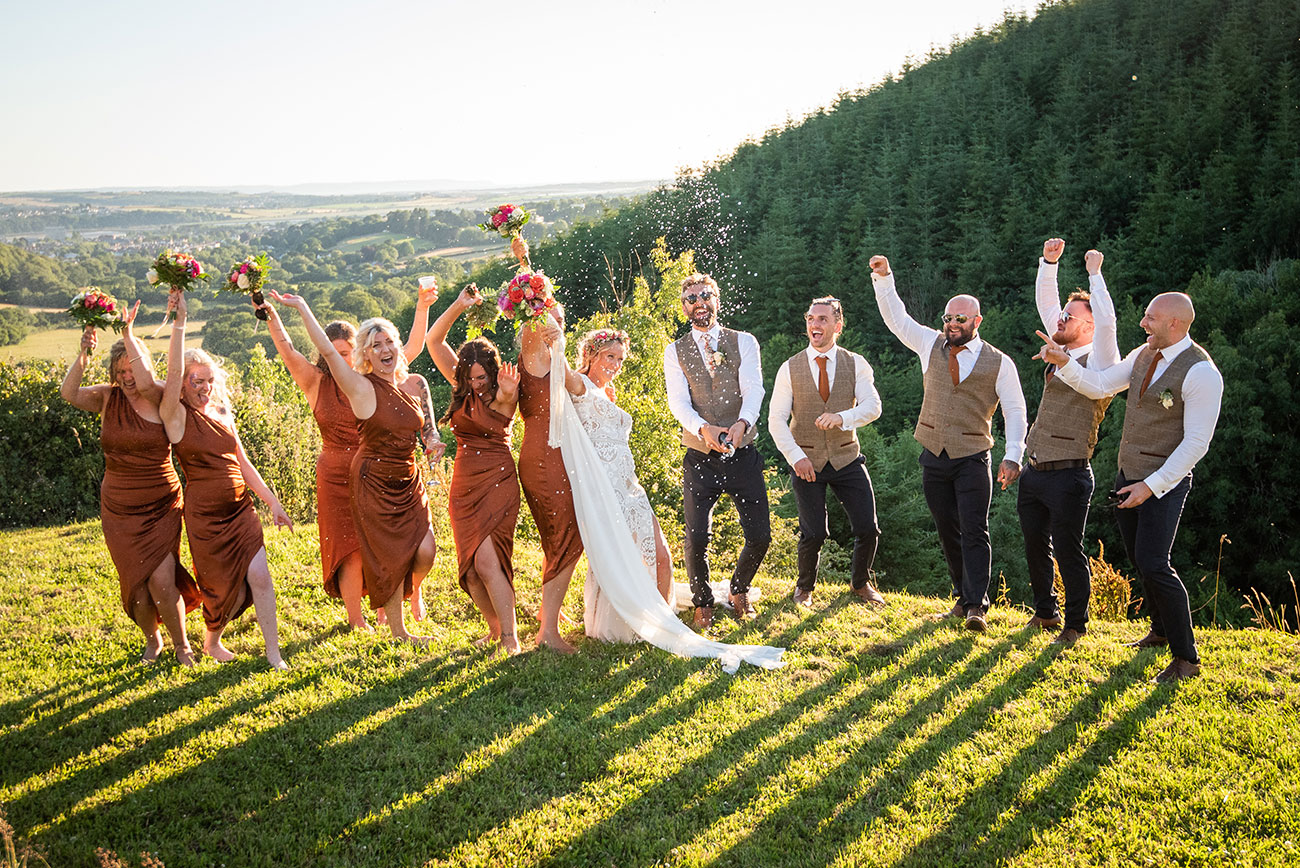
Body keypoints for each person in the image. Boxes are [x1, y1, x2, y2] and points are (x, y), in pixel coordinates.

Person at [543, 323, 784, 672]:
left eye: (621, 359)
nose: (616, 364)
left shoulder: (610, 393)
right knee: (629, 556)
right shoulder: (583, 385)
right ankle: (645, 624)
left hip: (629, 486)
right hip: (606, 492)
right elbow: (562, 375)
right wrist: (556, 338)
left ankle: (656, 617)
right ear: (592, 355)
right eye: (610, 356)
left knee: (658, 555)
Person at [1035, 291, 1222, 682]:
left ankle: (1186, 658)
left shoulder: (1201, 372)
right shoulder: (1143, 354)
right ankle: (1159, 631)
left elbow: (1196, 444)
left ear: (1175, 323)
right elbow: (1100, 384)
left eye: (1150, 318)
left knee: (1156, 563)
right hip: (1127, 476)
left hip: (1164, 482)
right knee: (1141, 560)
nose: (1143, 323)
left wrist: (1150, 487)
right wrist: (1064, 362)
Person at [256, 281, 438, 632]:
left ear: (358, 352)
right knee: (350, 551)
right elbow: (290, 350)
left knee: (402, 546)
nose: (340, 357)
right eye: (335, 353)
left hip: (381, 471)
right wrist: (280, 314)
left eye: (346, 352)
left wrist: (421, 306)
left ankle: (402, 597)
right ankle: (359, 619)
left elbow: (409, 347)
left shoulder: (371, 379)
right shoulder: (322, 382)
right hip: (338, 473)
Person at [870, 255, 1028, 632]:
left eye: (961, 319)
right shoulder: (930, 344)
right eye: (948, 318)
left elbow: (1016, 410)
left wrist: (1014, 456)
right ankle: (961, 596)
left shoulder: (1000, 362)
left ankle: (977, 606)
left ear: (977, 321)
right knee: (947, 529)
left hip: (973, 457)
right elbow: (897, 320)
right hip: (933, 455)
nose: (952, 324)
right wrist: (883, 278)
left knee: (975, 530)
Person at [60, 302, 200, 664]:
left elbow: (154, 376)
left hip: (160, 502)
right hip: (118, 506)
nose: (126, 377)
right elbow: (69, 393)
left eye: (131, 369)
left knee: (162, 580)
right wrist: (83, 354)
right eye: (119, 371)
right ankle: (153, 640)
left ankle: (182, 644)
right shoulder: (108, 398)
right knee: (136, 584)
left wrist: (127, 334)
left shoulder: (157, 396)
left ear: (142, 367)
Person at [157, 291, 291, 668]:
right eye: (196, 381)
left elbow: (243, 462)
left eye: (209, 380)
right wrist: (180, 322)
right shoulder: (176, 416)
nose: (204, 387)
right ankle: (211, 641)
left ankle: (273, 653)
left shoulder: (221, 412)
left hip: (241, 511)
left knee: (261, 577)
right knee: (217, 592)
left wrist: (272, 501)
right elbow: (168, 376)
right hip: (205, 519)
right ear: (182, 384)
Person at [1018, 239, 1121, 644]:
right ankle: (1045, 612)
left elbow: (1109, 323)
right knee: (1034, 546)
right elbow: (1047, 305)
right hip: (1036, 469)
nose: (1060, 319)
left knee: (1068, 551)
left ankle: (1075, 625)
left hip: (1070, 473)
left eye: (1070, 316)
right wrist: (1049, 263)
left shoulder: (1101, 360)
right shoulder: (1060, 345)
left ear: (1089, 326)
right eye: (1063, 314)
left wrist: (1095, 276)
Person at [662, 273, 769, 630]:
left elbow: (754, 388)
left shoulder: (744, 342)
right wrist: (702, 429)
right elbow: (677, 402)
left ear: (716, 300)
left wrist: (742, 423)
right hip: (699, 457)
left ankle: (739, 589)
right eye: (691, 298)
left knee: (760, 535)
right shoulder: (674, 351)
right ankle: (703, 602)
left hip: (744, 453)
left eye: (705, 295)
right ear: (684, 308)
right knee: (695, 537)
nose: (699, 302)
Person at [768, 296, 885, 609]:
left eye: (821, 319)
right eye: (810, 318)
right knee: (814, 532)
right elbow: (775, 420)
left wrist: (842, 418)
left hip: (846, 456)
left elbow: (873, 407)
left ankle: (860, 584)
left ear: (838, 325)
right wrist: (796, 457)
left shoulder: (855, 363)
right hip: (806, 460)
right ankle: (804, 588)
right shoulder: (789, 368)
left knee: (867, 528)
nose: (814, 324)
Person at [425, 286, 523, 655]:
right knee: (469, 566)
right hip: (463, 484)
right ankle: (496, 628)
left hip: (496, 479)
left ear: (493, 372)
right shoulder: (462, 386)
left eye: (483, 377)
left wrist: (508, 391)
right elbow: (435, 341)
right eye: (472, 378)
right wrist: (459, 304)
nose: (477, 384)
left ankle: (511, 638)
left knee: (487, 558)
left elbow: (507, 402)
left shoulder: (504, 391)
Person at [517, 304, 584, 653]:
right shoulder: (534, 355)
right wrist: (530, 283)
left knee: (556, 538)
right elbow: (533, 315)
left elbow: (578, 389)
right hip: (544, 457)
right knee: (568, 536)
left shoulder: (553, 356)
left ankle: (548, 614)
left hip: (555, 456)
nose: (557, 323)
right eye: (549, 317)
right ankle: (549, 633)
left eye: (562, 318)